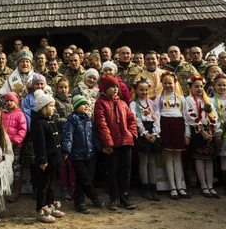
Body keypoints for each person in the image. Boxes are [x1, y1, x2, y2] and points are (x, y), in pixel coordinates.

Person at [94, 75, 138, 210]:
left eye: (116, 87)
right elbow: (101, 124)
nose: (114, 89)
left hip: (126, 141)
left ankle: (125, 196)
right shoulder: (100, 103)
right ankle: (114, 198)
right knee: (112, 170)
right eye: (111, 87)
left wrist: (131, 134)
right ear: (105, 89)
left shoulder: (123, 103)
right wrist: (108, 142)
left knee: (126, 170)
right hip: (112, 143)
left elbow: (132, 119)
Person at [61, 95, 104, 213]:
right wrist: (66, 150)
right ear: (76, 106)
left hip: (90, 154)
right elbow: (67, 136)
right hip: (77, 155)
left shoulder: (89, 120)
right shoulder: (72, 120)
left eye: (87, 104)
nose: (86, 106)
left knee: (84, 178)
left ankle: (79, 202)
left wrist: (100, 148)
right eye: (83, 104)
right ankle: (94, 196)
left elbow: (94, 136)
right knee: (84, 178)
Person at [153, 71, 190, 200]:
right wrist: (157, 132)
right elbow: (156, 116)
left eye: (171, 83)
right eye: (165, 83)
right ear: (162, 84)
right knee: (168, 158)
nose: (168, 85)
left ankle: (180, 187)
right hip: (166, 127)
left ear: (175, 83)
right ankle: (172, 187)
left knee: (178, 158)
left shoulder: (181, 98)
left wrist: (187, 133)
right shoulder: (159, 98)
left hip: (178, 127)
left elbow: (186, 116)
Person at [32, 90, 66, 223]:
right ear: (43, 108)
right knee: (43, 185)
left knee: (51, 184)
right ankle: (41, 209)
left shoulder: (49, 121)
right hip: (46, 161)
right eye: (51, 106)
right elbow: (40, 144)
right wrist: (42, 160)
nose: (54, 108)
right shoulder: (39, 123)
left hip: (53, 159)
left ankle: (50, 205)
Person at [185, 75, 221, 199]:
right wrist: (201, 131)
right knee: (200, 160)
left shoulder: (208, 100)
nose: (199, 89)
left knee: (209, 160)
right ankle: (203, 185)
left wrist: (212, 130)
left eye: (201, 86)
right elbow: (190, 116)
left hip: (209, 132)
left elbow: (214, 115)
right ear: (190, 87)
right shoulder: (188, 100)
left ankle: (210, 185)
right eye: (196, 86)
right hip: (197, 132)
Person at [130, 78, 162, 201]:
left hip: (152, 130)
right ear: (136, 91)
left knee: (152, 161)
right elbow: (135, 119)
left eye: (145, 90)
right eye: (141, 90)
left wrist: (155, 132)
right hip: (143, 132)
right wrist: (144, 133)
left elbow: (157, 117)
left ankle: (153, 186)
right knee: (144, 161)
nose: (143, 92)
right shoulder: (133, 104)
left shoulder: (153, 104)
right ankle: (145, 187)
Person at [1, 92, 27, 202]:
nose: (9, 102)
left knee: (15, 167)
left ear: (16, 102)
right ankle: (4, 190)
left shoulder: (20, 114)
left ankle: (16, 191)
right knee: (4, 166)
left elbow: (23, 129)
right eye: (7, 101)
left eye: (11, 100)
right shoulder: (2, 113)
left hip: (15, 146)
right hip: (3, 145)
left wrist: (16, 141)